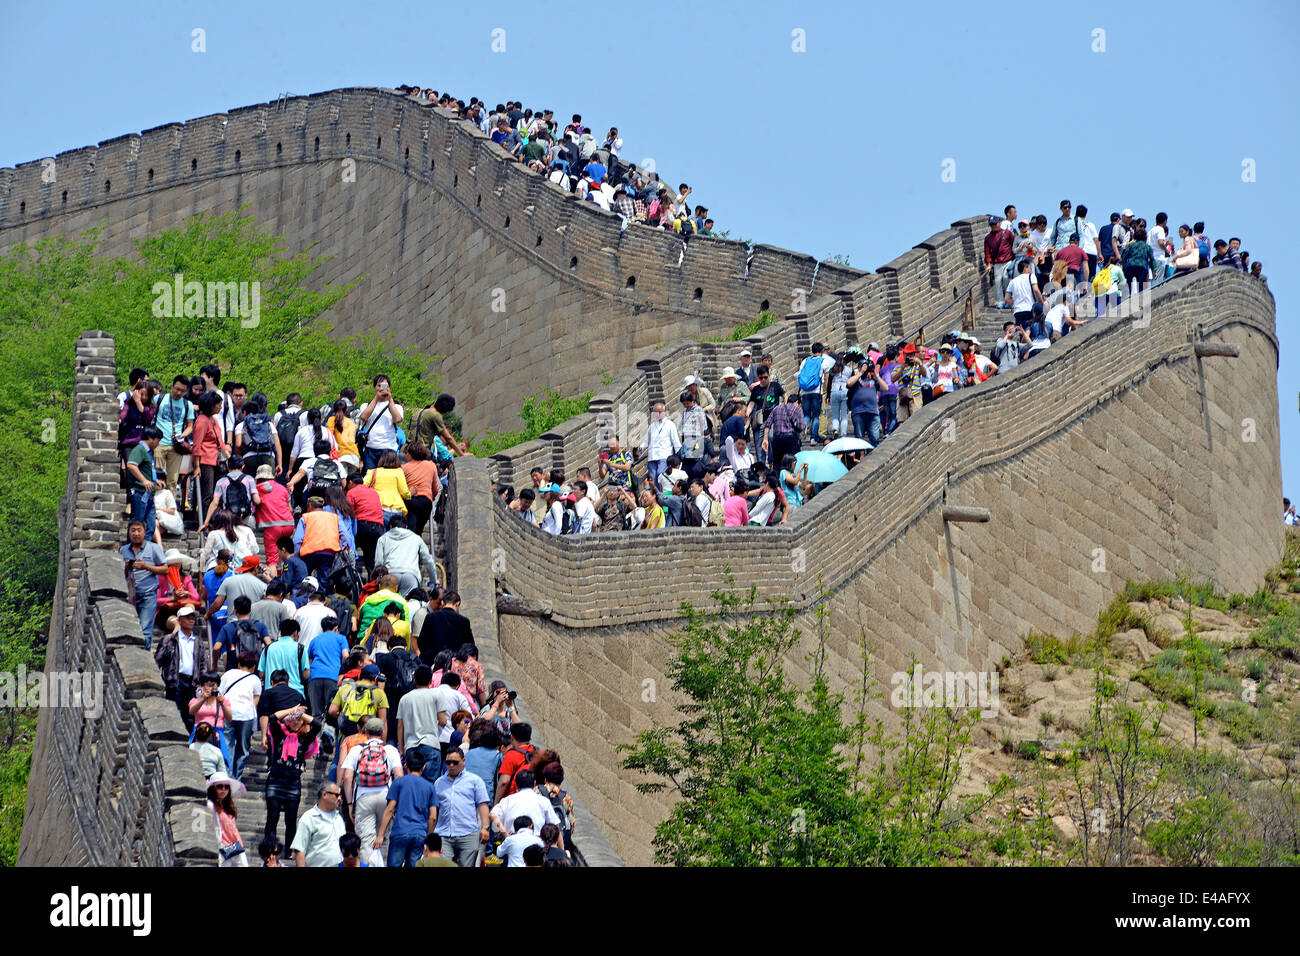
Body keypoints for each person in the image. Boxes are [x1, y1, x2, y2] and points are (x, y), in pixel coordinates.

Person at [341, 717, 404, 858]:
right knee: (382, 838)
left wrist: (350, 804)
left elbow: (347, 777)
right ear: (382, 732)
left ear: (365, 731)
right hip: (386, 797)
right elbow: (399, 775)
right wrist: (395, 801)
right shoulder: (390, 750)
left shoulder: (357, 750)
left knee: (365, 841)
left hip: (363, 797)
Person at [375, 748, 438, 867]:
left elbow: (390, 809)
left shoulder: (398, 783)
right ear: (423, 767)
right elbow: (433, 817)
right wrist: (428, 837)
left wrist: (380, 835)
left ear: (406, 765)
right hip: (420, 833)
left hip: (400, 831)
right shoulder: (430, 787)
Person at [432, 745, 492, 867]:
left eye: (455, 762)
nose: (451, 766)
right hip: (444, 834)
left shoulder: (475, 781)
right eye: (448, 763)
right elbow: (435, 810)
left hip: (468, 833)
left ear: (463, 762)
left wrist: (485, 827)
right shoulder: (438, 783)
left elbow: (483, 804)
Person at [154, 606, 209, 729]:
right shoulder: (169, 639)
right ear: (179, 620)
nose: (191, 620)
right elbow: (158, 660)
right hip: (175, 680)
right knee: (174, 711)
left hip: (192, 682)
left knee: (189, 714)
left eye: (192, 618)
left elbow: (202, 664)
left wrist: (203, 683)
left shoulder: (198, 641)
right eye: (187, 618)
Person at [219, 651, 262, 781]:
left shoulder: (228, 674)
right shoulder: (255, 679)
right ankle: (236, 779)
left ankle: (226, 776)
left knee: (227, 745)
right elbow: (256, 699)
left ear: (239, 663)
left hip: (228, 712)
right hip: (246, 715)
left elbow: (220, 694)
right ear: (253, 666)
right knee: (243, 748)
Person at [374, 515, 436, 596]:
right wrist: (433, 579)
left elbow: (378, 562)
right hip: (410, 575)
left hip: (390, 576)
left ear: (390, 526)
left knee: (389, 605)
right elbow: (428, 560)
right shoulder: (416, 538)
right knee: (409, 606)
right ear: (406, 527)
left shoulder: (383, 539)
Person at [291, 781, 346, 867]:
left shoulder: (339, 817)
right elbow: (299, 850)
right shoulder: (309, 818)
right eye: (336, 795)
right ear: (324, 795)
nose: (339, 798)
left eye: (340, 795)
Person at [358, 375, 405, 473]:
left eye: (385, 386)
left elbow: (397, 419)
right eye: (379, 386)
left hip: (389, 448)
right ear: (374, 387)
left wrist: (390, 399)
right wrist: (376, 398)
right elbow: (364, 417)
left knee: (388, 478)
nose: (381, 388)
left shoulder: (396, 406)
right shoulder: (366, 405)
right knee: (370, 478)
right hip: (371, 448)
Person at [124, 425, 164, 539]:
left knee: (150, 526)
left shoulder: (148, 452)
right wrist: (144, 481)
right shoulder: (139, 449)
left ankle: (144, 551)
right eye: (158, 440)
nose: (158, 444)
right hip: (140, 493)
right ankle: (133, 552)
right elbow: (131, 465)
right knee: (137, 525)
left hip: (148, 495)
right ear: (151, 438)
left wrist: (155, 481)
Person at [416, 589, 473, 664]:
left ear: (443, 602)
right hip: (454, 664)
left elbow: (421, 642)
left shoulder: (431, 617)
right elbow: (469, 646)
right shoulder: (464, 621)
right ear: (457, 604)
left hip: (432, 662)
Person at [206, 773, 248, 867]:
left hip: (235, 846)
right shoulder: (211, 806)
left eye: (226, 787)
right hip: (223, 847)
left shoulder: (228, 806)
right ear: (213, 788)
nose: (224, 790)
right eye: (220, 786)